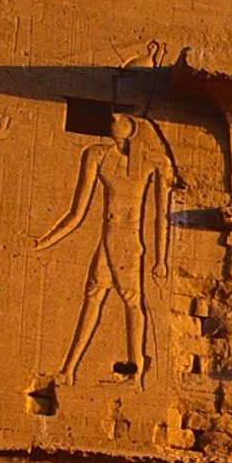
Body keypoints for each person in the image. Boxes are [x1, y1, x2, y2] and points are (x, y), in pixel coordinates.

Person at [34, 113, 181, 385]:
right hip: (108, 237)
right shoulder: (97, 155)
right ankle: (68, 371)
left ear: (135, 127)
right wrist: (45, 240)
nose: (113, 118)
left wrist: (161, 259)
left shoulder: (152, 162)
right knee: (94, 298)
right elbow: (77, 213)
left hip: (127, 242)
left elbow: (162, 215)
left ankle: (135, 372)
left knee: (130, 302)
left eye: (122, 117)